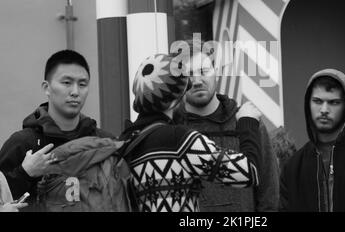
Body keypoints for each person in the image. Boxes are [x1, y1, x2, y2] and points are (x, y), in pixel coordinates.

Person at [120, 53, 262, 212]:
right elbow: (249, 172)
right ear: (175, 99)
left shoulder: (129, 142)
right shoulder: (179, 140)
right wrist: (247, 122)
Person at [173, 40, 279, 212]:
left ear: (216, 72)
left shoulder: (247, 124)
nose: (197, 80)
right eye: (189, 74)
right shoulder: (173, 131)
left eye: (203, 71)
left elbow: (269, 197)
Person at [0, 50, 112, 210]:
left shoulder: (103, 143)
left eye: (82, 84)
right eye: (67, 83)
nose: (75, 92)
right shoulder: (23, 143)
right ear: (47, 87)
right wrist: (24, 173)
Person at [280, 69, 345, 212]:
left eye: (334, 102)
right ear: (307, 104)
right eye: (317, 101)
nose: (324, 110)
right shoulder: (294, 167)